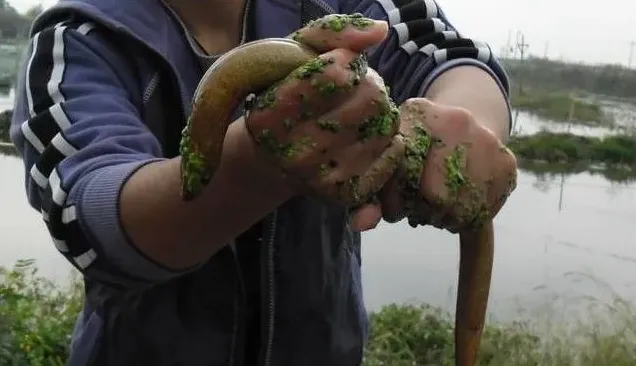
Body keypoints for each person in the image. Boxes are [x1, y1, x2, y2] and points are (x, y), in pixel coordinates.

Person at [9, 0, 516, 364]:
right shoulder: (74, 41)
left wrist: (463, 128)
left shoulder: (345, 5)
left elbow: (448, 55)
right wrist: (253, 166)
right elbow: (87, 214)